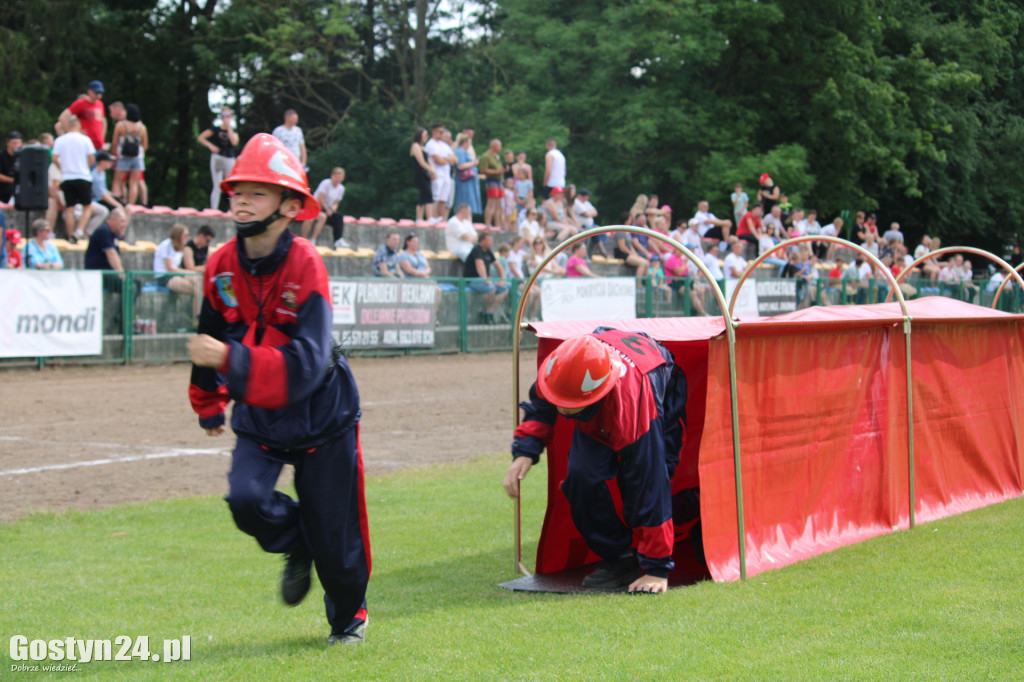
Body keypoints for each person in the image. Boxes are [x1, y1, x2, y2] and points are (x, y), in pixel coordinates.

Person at [186, 133, 370, 646]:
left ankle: (348, 620)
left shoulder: (307, 261)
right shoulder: (219, 263)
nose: (240, 200)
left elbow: (308, 364)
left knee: (336, 531)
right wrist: (207, 402)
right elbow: (209, 337)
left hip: (324, 417)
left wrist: (230, 360)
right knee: (245, 500)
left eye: (256, 192)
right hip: (261, 418)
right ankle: (298, 542)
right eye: (236, 191)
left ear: (291, 207)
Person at [503, 330, 690, 593]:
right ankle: (618, 558)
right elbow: (542, 405)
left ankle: (664, 547)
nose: (560, 410)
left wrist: (657, 570)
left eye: (567, 405)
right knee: (581, 478)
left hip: (657, 387)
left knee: (647, 482)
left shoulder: (633, 414)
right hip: (607, 385)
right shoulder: (561, 370)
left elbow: (651, 486)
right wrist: (525, 451)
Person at [52, 116, 97, 243]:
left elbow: (55, 158)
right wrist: (85, 167)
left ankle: (71, 235)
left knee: (70, 208)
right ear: (79, 126)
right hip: (83, 176)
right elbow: (92, 159)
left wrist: (63, 168)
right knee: (87, 207)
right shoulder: (85, 139)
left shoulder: (60, 140)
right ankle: (79, 230)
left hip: (67, 177)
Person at [197, 106, 239, 210]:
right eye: (224, 116)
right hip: (217, 157)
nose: (226, 118)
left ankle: (232, 209)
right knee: (217, 185)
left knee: (230, 185)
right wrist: (211, 146)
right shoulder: (215, 129)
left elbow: (234, 142)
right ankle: (214, 209)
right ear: (220, 117)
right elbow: (201, 137)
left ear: (231, 117)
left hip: (229, 158)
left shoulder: (233, 129)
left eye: (228, 116)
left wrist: (229, 127)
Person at [464, 231, 509, 324]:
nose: (491, 243)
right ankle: (485, 313)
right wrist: (485, 279)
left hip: (484, 280)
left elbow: (499, 266)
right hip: (472, 280)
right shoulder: (477, 250)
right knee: (491, 289)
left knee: (504, 289)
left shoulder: (488, 252)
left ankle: (490, 312)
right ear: (483, 241)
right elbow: (479, 264)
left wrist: (502, 280)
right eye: (489, 241)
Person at [109, 104, 148, 207]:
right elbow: (145, 145)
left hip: (123, 157)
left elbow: (114, 143)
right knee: (134, 183)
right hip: (137, 158)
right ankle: (130, 206)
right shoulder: (142, 127)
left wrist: (114, 155)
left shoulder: (121, 125)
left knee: (118, 181)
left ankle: (117, 204)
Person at [57, 81, 106, 151]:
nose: (98, 95)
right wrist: (74, 133)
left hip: (98, 146)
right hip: (84, 146)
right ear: (89, 91)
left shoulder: (100, 104)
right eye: (96, 92)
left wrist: (102, 136)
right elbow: (63, 117)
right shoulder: (80, 103)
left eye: (101, 93)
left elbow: (103, 121)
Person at [153, 223, 199, 295]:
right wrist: (188, 272)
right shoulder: (166, 245)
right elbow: (170, 268)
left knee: (199, 282)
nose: (187, 237)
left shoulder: (180, 247)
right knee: (197, 289)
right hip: (165, 277)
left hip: (175, 275)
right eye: (185, 235)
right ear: (178, 235)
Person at [307, 167, 347, 246]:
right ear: (332, 176)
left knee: (339, 216)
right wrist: (327, 209)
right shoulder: (326, 183)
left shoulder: (341, 188)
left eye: (340, 178)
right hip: (318, 206)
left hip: (328, 209)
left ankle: (338, 240)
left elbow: (336, 203)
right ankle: (312, 239)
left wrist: (331, 210)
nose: (338, 179)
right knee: (323, 216)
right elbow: (320, 199)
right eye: (336, 177)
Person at [424, 124, 456, 222]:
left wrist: (445, 159)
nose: (442, 134)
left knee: (443, 199)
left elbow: (455, 159)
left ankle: (441, 219)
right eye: (440, 132)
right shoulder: (431, 144)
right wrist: (447, 159)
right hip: (437, 175)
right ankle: (432, 218)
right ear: (434, 131)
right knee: (435, 198)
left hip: (446, 175)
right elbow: (438, 160)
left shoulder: (444, 145)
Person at [409, 127, 436, 222]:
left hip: (425, 174)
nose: (426, 137)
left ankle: (419, 218)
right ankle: (429, 217)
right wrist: (431, 170)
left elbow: (429, 160)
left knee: (423, 196)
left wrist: (433, 170)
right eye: (425, 135)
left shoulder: (423, 148)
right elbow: (421, 162)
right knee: (428, 194)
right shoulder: (415, 146)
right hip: (419, 173)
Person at [452, 132, 481, 217]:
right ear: (465, 142)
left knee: (469, 202)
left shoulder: (464, 152)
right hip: (464, 181)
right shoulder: (460, 152)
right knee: (464, 200)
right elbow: (460, 166)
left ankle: (468, 219)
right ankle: (463, 217)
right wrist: (473, 163)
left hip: (468, 182)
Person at [479, 139, 505, 229]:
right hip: (491, 181)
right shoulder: (486, 156)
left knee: (499, 203)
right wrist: (497, 171)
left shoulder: (497, 156)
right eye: (499, 146)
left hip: (499, 180)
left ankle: (498, 224)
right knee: (491, 202)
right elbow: (483, 170)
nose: (500, 148)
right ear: (494, 146)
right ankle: (488, 223)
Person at [0, 131, 21, 204]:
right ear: (8, 143)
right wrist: (13, 180)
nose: (16, 145)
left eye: (18, 143)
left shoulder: (21, 156)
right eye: (14, 143)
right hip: (4, 189)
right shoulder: (2, 156)